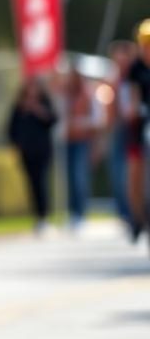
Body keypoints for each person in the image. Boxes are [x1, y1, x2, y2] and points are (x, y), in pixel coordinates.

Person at [7, 76, 57, 233]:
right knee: (32, 185)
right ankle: (37, 216)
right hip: (26, 152)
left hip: (42, 151)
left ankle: (44, 216)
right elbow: (10, 129)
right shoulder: (19, 107)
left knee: (41, 182)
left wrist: (38, 110)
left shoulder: (44, 104)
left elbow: (53, 120)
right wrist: (16, 145)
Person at [63, 65, 105, 230]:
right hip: (68, 142)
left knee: (79, 177)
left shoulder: (89, 94)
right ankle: (72, 212)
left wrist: (79, 124)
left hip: (83, 141)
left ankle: (80, 213)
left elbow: (98, 120)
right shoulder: (65, 95)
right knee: (69, 179)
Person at [107, 40, 139, 238]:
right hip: (119, 130)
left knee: (133, 174)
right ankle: (126, 214)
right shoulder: (114, 82)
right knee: (118, 174)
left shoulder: (138, 76)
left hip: (136, 129)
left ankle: (137, 212)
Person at [127, 20, 150, 237]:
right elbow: (131, 96)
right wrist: (132, 110)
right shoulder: (135, 68)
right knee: (134, 169)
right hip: (141, 124)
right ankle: (137, 216)